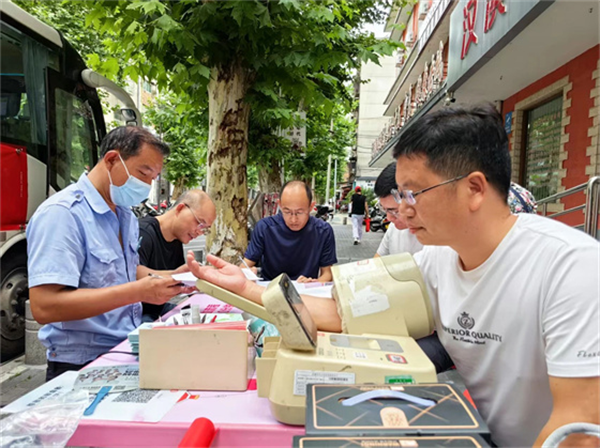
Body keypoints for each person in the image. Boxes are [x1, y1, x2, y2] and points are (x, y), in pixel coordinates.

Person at [185, 104, 599, 448]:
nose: (402, 209)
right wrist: (248, 287)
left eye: (413, 192)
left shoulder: (571, 268)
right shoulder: (436, 260)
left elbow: (577, 430)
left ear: (474, 189)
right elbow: (344, 312)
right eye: (399, 194)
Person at [27, 126, 193, 381]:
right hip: (80, 363)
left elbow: (123, 270)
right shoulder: (63, 214)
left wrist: (172, 277)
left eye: (153, 178)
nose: (147, 186)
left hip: (124, 349)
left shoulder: (124, 214)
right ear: (112, 159)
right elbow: (44, 306)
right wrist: (138, 292)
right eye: (143, 173)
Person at [138, 189, 216, 321]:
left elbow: (181, 282)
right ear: (180, 209)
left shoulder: (177, 238)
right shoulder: (143, 232)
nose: (199, 232)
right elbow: (134, 274)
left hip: (159, 308)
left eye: (205, 229)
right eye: (199, 223)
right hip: (136, 313)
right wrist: (175, 275)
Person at [241, 180, 337, 283]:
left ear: (311, 207)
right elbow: (245, 265)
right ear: (280, 205)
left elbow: (328, 274)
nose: (293, 219)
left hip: (305, 288)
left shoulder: (323, 231)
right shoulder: (264, 228)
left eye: (299, 212)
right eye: (287, 212)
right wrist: (248, 273)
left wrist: (314, 283)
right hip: (270, 288)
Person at [374, 162, 424, 258]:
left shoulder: (439, 237)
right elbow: (378, 261)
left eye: (395, 211)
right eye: (384, 209)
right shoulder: (393, 228)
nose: (389, 218)